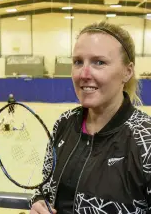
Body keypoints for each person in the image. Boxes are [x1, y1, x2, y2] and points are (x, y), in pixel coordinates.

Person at [30, 21, 151, 214]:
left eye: (99, 62)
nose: (84, 74)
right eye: (78, 62)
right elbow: (46, 185)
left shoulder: (145, 139)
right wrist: (38, 202)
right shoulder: (64, 123)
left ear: (127, 72)